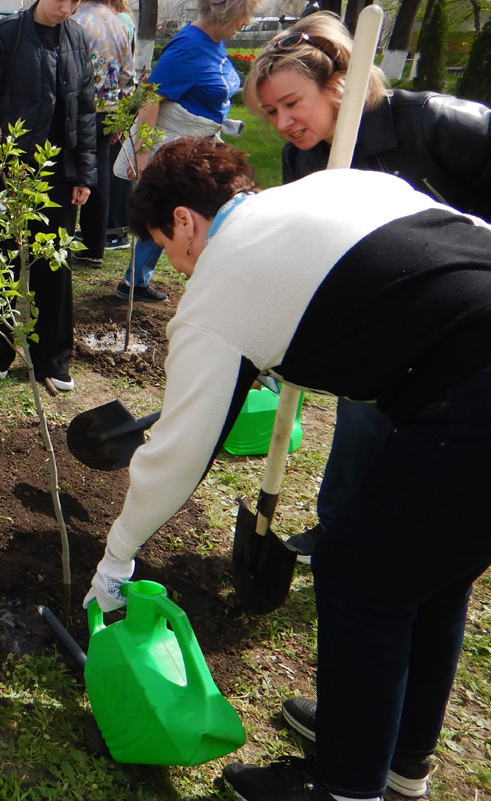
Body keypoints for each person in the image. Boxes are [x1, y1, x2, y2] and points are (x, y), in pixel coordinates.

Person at [86, 135, 491, 801]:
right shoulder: (334, 189)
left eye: (168, 247)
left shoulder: (221, 280)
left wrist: (117, 558)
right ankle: (396, 759)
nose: (178, 267)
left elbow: (180, 450)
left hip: (472, 395)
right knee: (427, 578)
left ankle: (343, 790)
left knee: (358, 581)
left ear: (184, 222)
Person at [245, 9, 491, 562]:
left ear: (337, 85)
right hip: (390, 306)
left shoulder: (427, 120)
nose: (283, 122)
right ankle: (339, 526)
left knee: (446, 429)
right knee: (363, 409)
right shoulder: (303, 157)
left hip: (467, 302)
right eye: (271, 111)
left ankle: (423, 540)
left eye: (292, 103)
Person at [0, 0, 97, 393]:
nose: (66, 8)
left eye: (75, 0)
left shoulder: (77, 39)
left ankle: (52, 359)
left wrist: (83, 174)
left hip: (57, 178)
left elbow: (86, 111)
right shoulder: (5, 37)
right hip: (5, 173)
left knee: (55, 266)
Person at [114, 0, 265, 303]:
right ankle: (133, 283)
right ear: (229, 8)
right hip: (175, 145)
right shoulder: (189, 45)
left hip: (201, 144)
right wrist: (143, 153)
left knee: (181, 212)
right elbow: (151, 97)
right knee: (168, 214)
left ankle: (139, 281)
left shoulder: (216, 42)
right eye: (246, 13)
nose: (247, 21)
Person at [69, 0, 134, 267]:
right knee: (100, 179)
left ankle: (61, 239)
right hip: (108, 112)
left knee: (69, 172)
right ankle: (95, 246)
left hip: (78, 111)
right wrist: (122, 115)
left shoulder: (76, 19)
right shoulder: (118, 22)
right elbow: (128, 75)